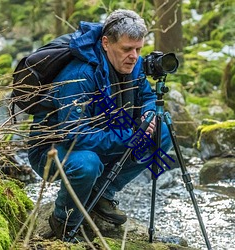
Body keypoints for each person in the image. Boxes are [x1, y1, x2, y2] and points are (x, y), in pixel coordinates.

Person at [28, 9, 172, 241]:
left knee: (161, 132)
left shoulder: (132, 64)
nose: (134, 56)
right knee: (87, 164)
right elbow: (74, 135)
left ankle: (102, 193)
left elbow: (146, 96)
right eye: (127, 49)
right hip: (53, 149)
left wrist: (148, 113)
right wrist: (130, 135)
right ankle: (63, 221)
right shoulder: (79, 75)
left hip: (104, 134)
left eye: (139, 49)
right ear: (106, 43)